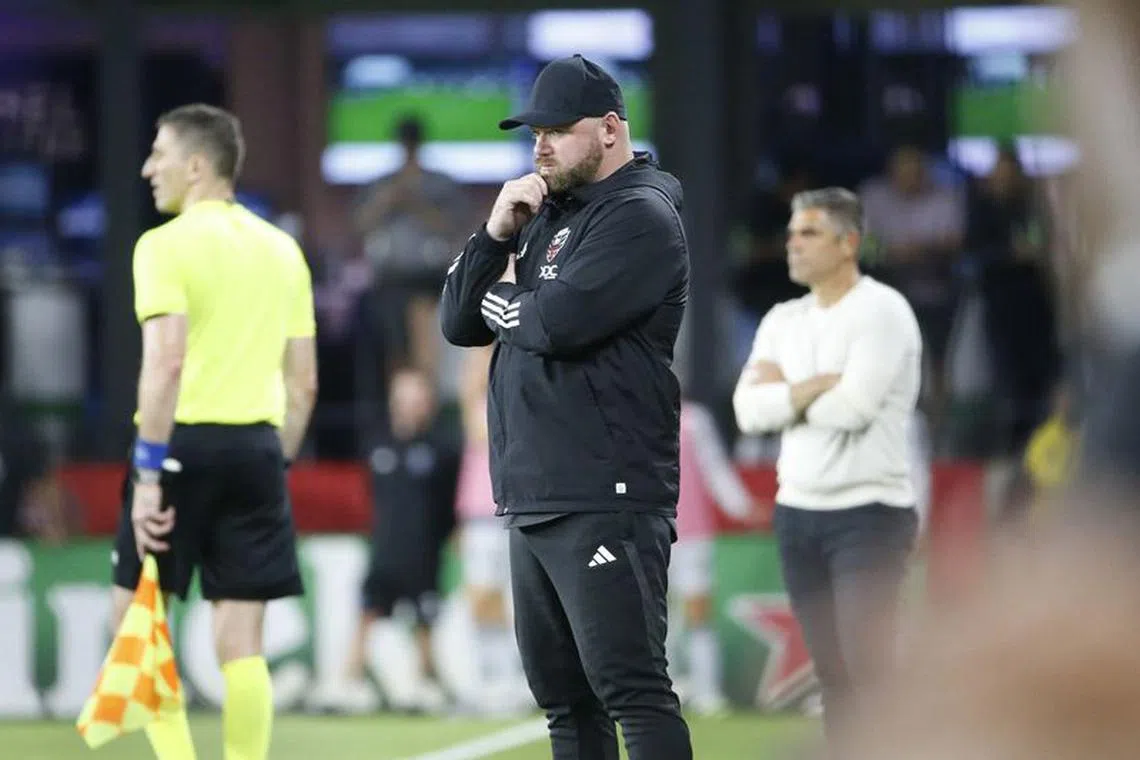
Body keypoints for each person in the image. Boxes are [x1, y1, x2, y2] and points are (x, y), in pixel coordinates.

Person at [439, 54, 693, 760]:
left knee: (632, 691)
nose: (540, 145)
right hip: (536, 490)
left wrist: (513, 302)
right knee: (564, 704)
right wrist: (493, 236)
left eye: (558, 129)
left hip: (607, 491)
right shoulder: (541, 213)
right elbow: (460, 324)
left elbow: (555, 325)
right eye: (534, 132)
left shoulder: (641, 217)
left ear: (611, 130)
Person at [109, 103, 318, 760]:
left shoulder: (162, 246)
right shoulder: (283, 250)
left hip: (178, 448)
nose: (148, 168)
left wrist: (148, 474)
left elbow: (166, 362)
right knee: (241, 643)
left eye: (159, 154)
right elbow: (305, 383)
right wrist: (275, 461)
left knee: (138, 627)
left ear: (196, 166)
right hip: (257, 447)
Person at [732, 187, 922, 753]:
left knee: (870, 667)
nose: (792, 243)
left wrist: (784, 394)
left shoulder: (883, 310)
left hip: (870, 512)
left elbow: (855, 407)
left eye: (808, 232)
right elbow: (748, 411)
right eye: (791, 232)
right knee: (834, 674)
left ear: (849, 243)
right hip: (799, 513)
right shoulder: (782, 318)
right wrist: (815, 385)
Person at [338, 365, 458, 714]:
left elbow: (448, 503)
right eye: (404, 395)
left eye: (418, 396)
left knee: (425, 622)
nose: (411, 403)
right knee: (367, 613)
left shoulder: (442, 448)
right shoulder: (376, 445)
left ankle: (430, 686)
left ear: (428, 402)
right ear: (393, 400)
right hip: (384, 550)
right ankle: (348, 683)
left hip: (424, 552)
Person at [669, 399, 760, 714]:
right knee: (651, 618)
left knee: (697, 613)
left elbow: (714, 467)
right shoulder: (625, 412)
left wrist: (742, 507)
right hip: (644, 532)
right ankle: (663, 689)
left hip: (691, 535)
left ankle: (707, 690)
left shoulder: (694, 420)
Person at [455, 344, 530, 714]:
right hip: (479, 509)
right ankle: (492, 680)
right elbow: (472, 412)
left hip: (515, 505)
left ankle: (517, 679)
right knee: (482, 598)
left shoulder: (522, 395)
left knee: (518, 598)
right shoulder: (478, 406)